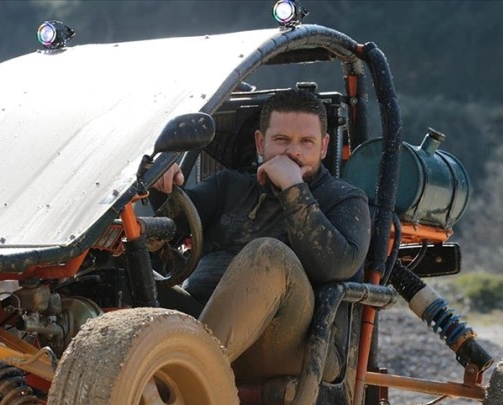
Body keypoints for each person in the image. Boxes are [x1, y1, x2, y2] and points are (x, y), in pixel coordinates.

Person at [153, 89, 371, 381]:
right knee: (123, 267)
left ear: (323, 147)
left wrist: (294, 189)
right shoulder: (227, 186)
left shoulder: (344, 198)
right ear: (260, 142)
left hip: (294, 342)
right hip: (202, 318)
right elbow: (174, 224)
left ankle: (187, 378)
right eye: (281, 140)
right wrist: (164, 183)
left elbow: (337, 267)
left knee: (268, 253)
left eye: (306, 142)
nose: (293, 151)